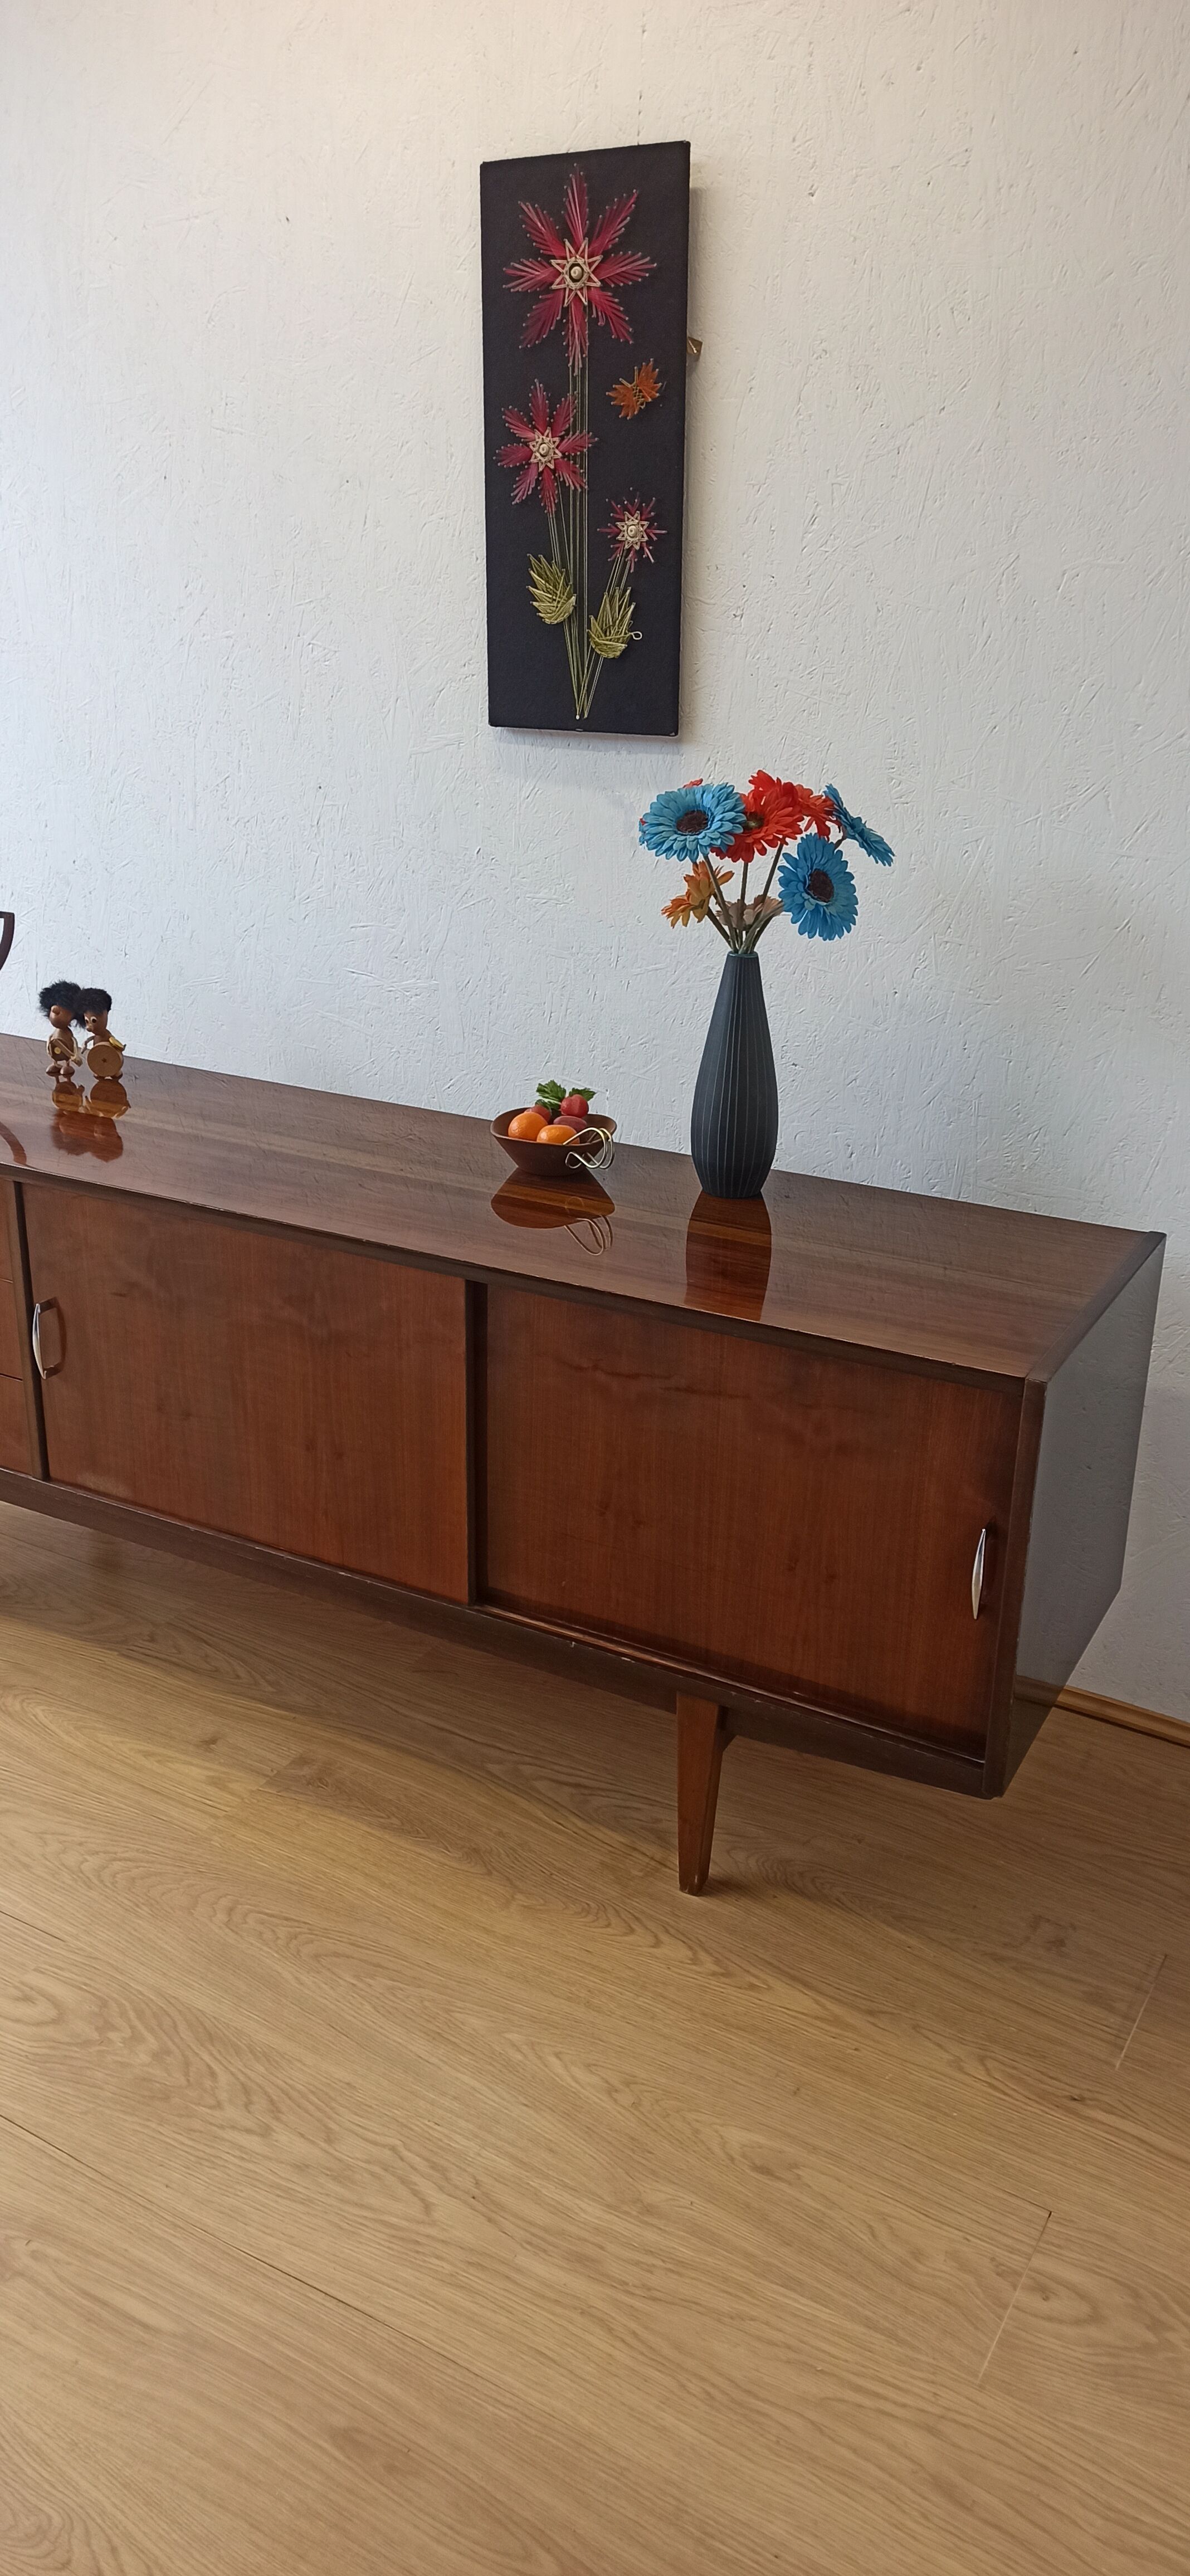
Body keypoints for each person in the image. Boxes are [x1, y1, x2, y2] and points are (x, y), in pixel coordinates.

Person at [39, 979, 85, 1082]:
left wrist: (75, 1055)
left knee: (66, 1059)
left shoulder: (68, 1034)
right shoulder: (54, 1034)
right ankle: (55, 1064)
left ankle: (67, 1065)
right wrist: (49, 1049)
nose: (54, 1010)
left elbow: (73, 1043)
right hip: (55, 1053)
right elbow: (51, 1039)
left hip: (66, 1053)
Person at [80, 987, 126, 1081]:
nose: (89, 1027)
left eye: (94, 1021)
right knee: (98, 1061)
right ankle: (99, 1071)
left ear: (106, 1015)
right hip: (99, 1057)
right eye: (87, 1021)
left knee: (111, 1061)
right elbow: (89, 1040)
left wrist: (120, 1047)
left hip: (110, 1058)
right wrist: (85, 1044)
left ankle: (115, 1071)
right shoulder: (96, 1037)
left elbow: (115, 1044)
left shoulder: (108, 1036)